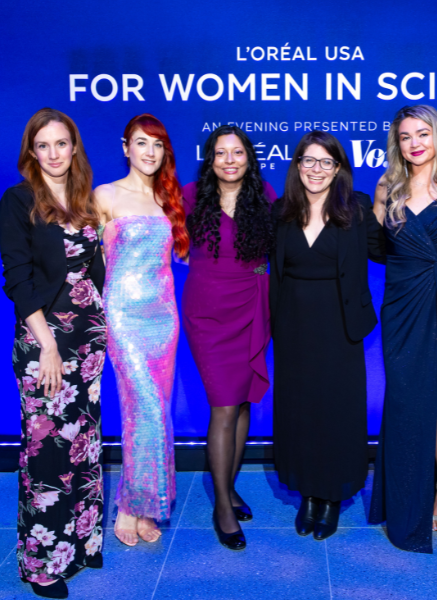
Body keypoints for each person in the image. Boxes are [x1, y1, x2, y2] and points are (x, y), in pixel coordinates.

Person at [0, 108, 105, 599]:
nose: (54, 153)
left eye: (62, 143)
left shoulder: (85, 200)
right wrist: (48, 347)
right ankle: (42, 564)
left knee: (84, 443)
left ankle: (81, 542)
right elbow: (17, 281)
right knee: (47, 454)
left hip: (90, 340)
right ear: (31, 152)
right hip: (47, 342)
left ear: (74, 146)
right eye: (44, 146)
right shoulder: (17, 202)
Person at [367, 105, 437, 553]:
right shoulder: (387, 187)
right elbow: (374, 247)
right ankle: (402, 501)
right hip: (402, 305)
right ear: (397, 143)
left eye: (422, 133)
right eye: (406, 136)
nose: (414, 143)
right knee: (402, 401)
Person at [270, 130, 385, 541]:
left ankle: (332, 496)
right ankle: (309, 494)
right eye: (308, 161)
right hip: (292, 328)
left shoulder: (356, 208)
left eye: (326, 162)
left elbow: (391, 250)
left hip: (340, 328)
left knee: (337, 411)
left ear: (338, 169)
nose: (316, 170)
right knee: (300, 412)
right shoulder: (281, 211)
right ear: (296, 165)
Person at [94, 114, 188, 547]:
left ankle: (147, 504)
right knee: (142, 410)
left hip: (164, 320)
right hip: (124, 320)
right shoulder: (105, 195)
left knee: (156, 414)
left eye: (157, 145)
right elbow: (87, 264)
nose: (149, 152)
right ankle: (130, 505)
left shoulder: (169, 200)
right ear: (125, 146)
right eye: (141, 143)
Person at [182, 126, 276, 550]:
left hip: (252, 304)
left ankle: (230, 486)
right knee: (222, 404)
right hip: (207, 311)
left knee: (241, 402)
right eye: (221, 153)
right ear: (210, 159)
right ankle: (221, 504)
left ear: (248, 158)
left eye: (237, 152)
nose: (230, 160)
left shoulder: (266, 196)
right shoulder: (188, 196)